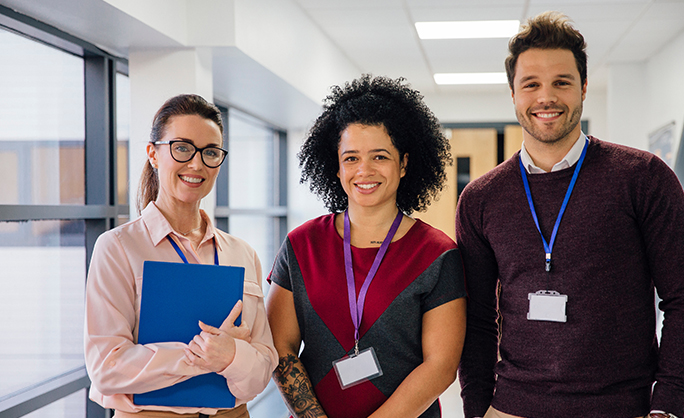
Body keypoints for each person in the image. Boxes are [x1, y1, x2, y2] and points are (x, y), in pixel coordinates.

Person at [456, 11, 684, 418]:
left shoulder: (642, 178)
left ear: (584, 87)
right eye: (531, 84)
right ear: (513, 93)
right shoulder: (481, 198)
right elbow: (479, 319)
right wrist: (476, 410)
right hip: (512, 408)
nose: (546, 97)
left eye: (562, 82)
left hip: (619, 408)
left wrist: (667, 408)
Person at [266, 75, 466, 418]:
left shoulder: (437, 254)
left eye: (380, 157)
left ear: (404, 163)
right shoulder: (302, 245)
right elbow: (279, 347)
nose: (365, 171)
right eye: (351, 158)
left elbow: (441, 366)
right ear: (337, 165)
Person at [84, 94, 278, 417]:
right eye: (182, 148)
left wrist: (232, 355)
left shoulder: (242, 254)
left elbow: (263, 367)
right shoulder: (117, 248)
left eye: (210, 152)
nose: (197, 164)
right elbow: (107, 366)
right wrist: (203, 356)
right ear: (153, 154)